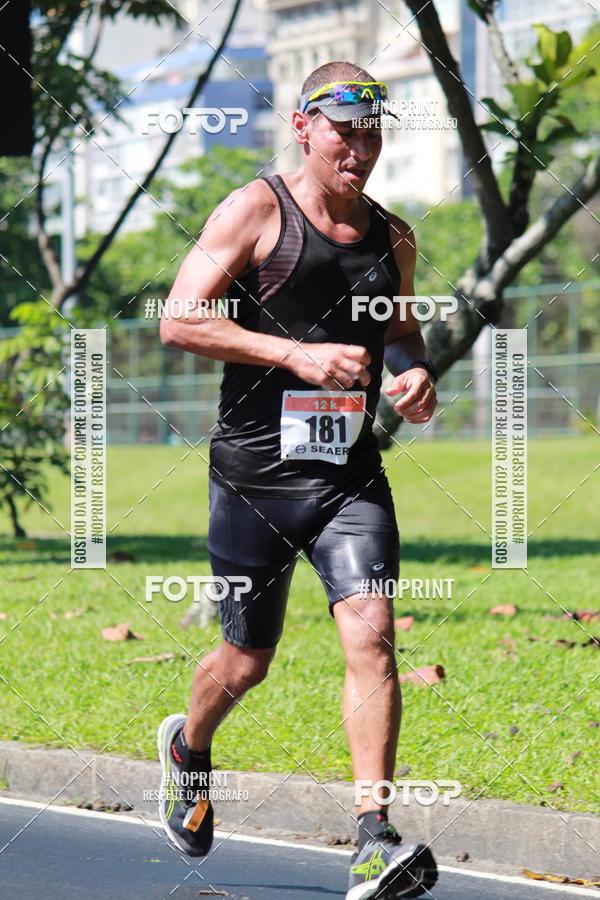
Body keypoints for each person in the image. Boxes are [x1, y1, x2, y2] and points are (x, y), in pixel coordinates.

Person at [158, 60, 439, 900]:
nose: (360, 149)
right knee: (247, 661)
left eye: (373, 134)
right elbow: (179, 317)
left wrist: (415, 374)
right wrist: (294, 352)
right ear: (305, 128)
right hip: (254, 478)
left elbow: (403, 332)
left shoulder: (393, 236)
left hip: (348, 479)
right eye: (345, 132)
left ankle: (371, 837)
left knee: (372, 629)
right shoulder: (255, 209)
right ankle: (188, 747)